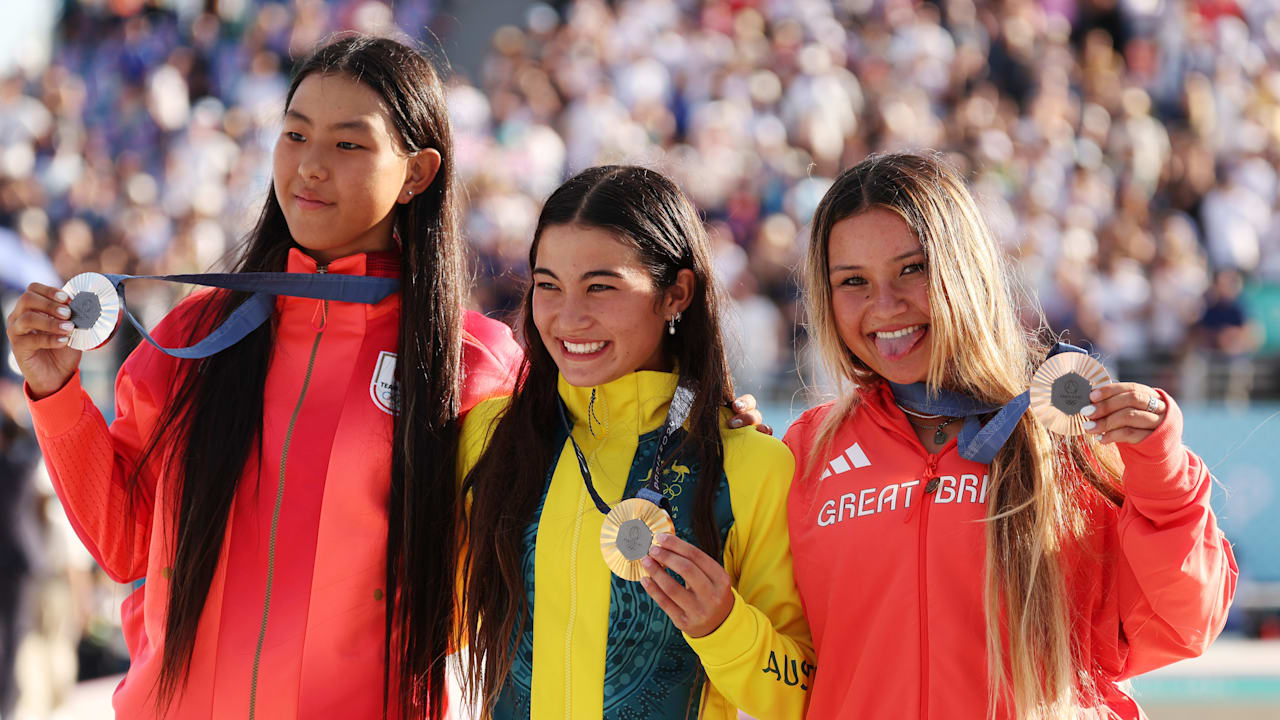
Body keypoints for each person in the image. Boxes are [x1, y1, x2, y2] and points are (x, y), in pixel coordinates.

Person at [4, 35, 524, 719]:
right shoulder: (196, 335)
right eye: (295, 134)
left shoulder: (471, 362)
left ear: (418, 173)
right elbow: (126, 539)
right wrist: (57, 395)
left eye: (348, 145)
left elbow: (485, 593)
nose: (309, 166)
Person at [783, 152, 1237, 719]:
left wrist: (1162, 472)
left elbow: (1184, 624)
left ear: (964, 268)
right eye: (853, 281)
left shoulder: (1064, 427)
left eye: (913, 268)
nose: (884, 304)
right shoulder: (808, 451)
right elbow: (782, 657)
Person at [458, 165, 813, 719]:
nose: (569, 317)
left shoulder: (752, 465)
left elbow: (799, 694)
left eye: (601, 286)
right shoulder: (490, 438)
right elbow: (429, 618)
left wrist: (725, 627)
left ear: (677, 293)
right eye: (548, 285)